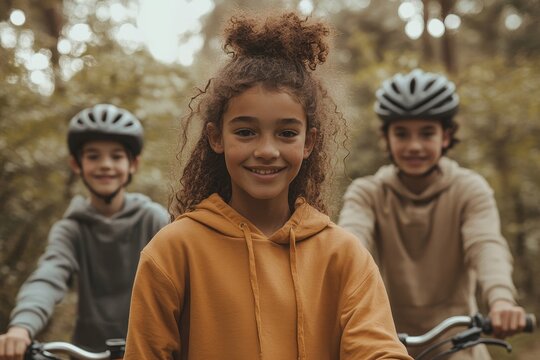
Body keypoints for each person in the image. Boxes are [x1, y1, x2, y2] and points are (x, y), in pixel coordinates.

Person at [124, 11, 411, 360]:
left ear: (308, 143)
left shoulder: (342, 256)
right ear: (217, 137)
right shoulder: (173, 251)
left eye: (287, 133)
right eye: (245, 132)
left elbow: (378, 349)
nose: (266, 151)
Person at [338, 69, 527, 359]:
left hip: (459, 342)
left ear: (446, 136)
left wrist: (501, 300)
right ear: (386, 138)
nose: (414, 145)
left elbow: (486, 245)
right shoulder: (367, 193)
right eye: (401, 133)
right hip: (386, 341)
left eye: (427, 133)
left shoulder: (469, 189)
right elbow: (351, 244)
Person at [0, 104, 169, 359]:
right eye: (93, 156)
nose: (105, 165)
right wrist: (22, 326)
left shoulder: (154, 219)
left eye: (116, 156)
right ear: (76, 164)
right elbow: (49, 275)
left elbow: (184, 279)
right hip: (88, 352)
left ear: (133, 164)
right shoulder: (70, 229)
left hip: (149, 349)